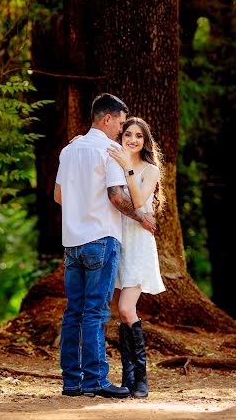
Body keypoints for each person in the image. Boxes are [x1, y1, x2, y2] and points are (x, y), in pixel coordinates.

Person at [54, 94, 156, 398]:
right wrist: (141, 216)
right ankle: (96, 379)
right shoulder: (109, 150)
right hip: (101, 238)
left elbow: (59, 196)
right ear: (107, 119)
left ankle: (71, 381)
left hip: (71, 242)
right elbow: (115, 196)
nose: (121, 130)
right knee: (96, 313)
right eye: (121, 123)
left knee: (73, 311)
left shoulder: (69, 150)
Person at [107, 117, 165, 398]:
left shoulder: (150, 169)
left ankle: (141, 377)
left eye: (138, 136)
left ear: (145, 141)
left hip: (139, 241)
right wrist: (78, 141)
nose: (132, 139)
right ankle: (128, 377)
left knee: (127, 309)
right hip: (117, 240)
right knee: (120, 312)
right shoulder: (112, 158)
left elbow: (140, 202)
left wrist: (128, 167)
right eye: (127, 133)